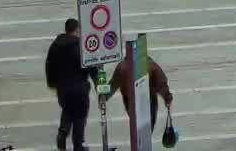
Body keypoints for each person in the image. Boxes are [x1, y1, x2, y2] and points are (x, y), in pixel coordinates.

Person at [45, 18, 96, 151]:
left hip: (63, 89)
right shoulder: (80, 45)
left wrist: (52, 83)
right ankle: (78, 147)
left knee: (67, 110)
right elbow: (90, 65)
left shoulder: (55, 45)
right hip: (80, 88)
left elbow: (49, 65)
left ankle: (63, 132)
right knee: (79, 117)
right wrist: (97, 83)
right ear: (77, 30)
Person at [105, 51, 174, 138]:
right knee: (147, 129)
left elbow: (113, 84)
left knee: (137, 127)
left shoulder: (122, 66)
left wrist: (104, 97)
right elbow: (161, 83)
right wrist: (167, 97)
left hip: (130, 101)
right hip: (148, 100)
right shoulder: (150, 64)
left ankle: (139, 141)